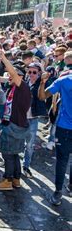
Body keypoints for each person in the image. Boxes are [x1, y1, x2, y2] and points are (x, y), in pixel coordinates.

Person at [0, 50, 31, 191]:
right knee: (14, 154)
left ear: (19, 76)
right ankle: (16, 179)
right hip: (13, 124)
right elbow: (1, 79)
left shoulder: (22, 87)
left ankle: (7, 180)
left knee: (8, 154)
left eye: (11, 75)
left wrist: (3, 58)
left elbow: (13, 73)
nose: (9, 77)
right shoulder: (13, 87)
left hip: (14, 127)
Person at [39, 51, 72, 205]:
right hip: (64, 127)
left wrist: (42, 82)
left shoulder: (63, 80)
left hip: (64, 127)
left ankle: (58, 192)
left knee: (62, 160)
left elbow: (42, 96)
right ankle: (70, 186)